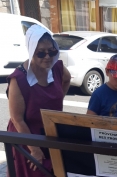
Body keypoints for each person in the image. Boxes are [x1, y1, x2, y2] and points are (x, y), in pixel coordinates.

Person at [6, 24, 71, 177]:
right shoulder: (19, 79)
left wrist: (57, 98)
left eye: (51, 51)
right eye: (41, 53)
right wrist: (34, 149)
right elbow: (17, 119)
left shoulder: (57, 67)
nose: (48, 57)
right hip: (27, 137)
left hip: (50, 133)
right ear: (31, 51)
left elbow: (67, 80)